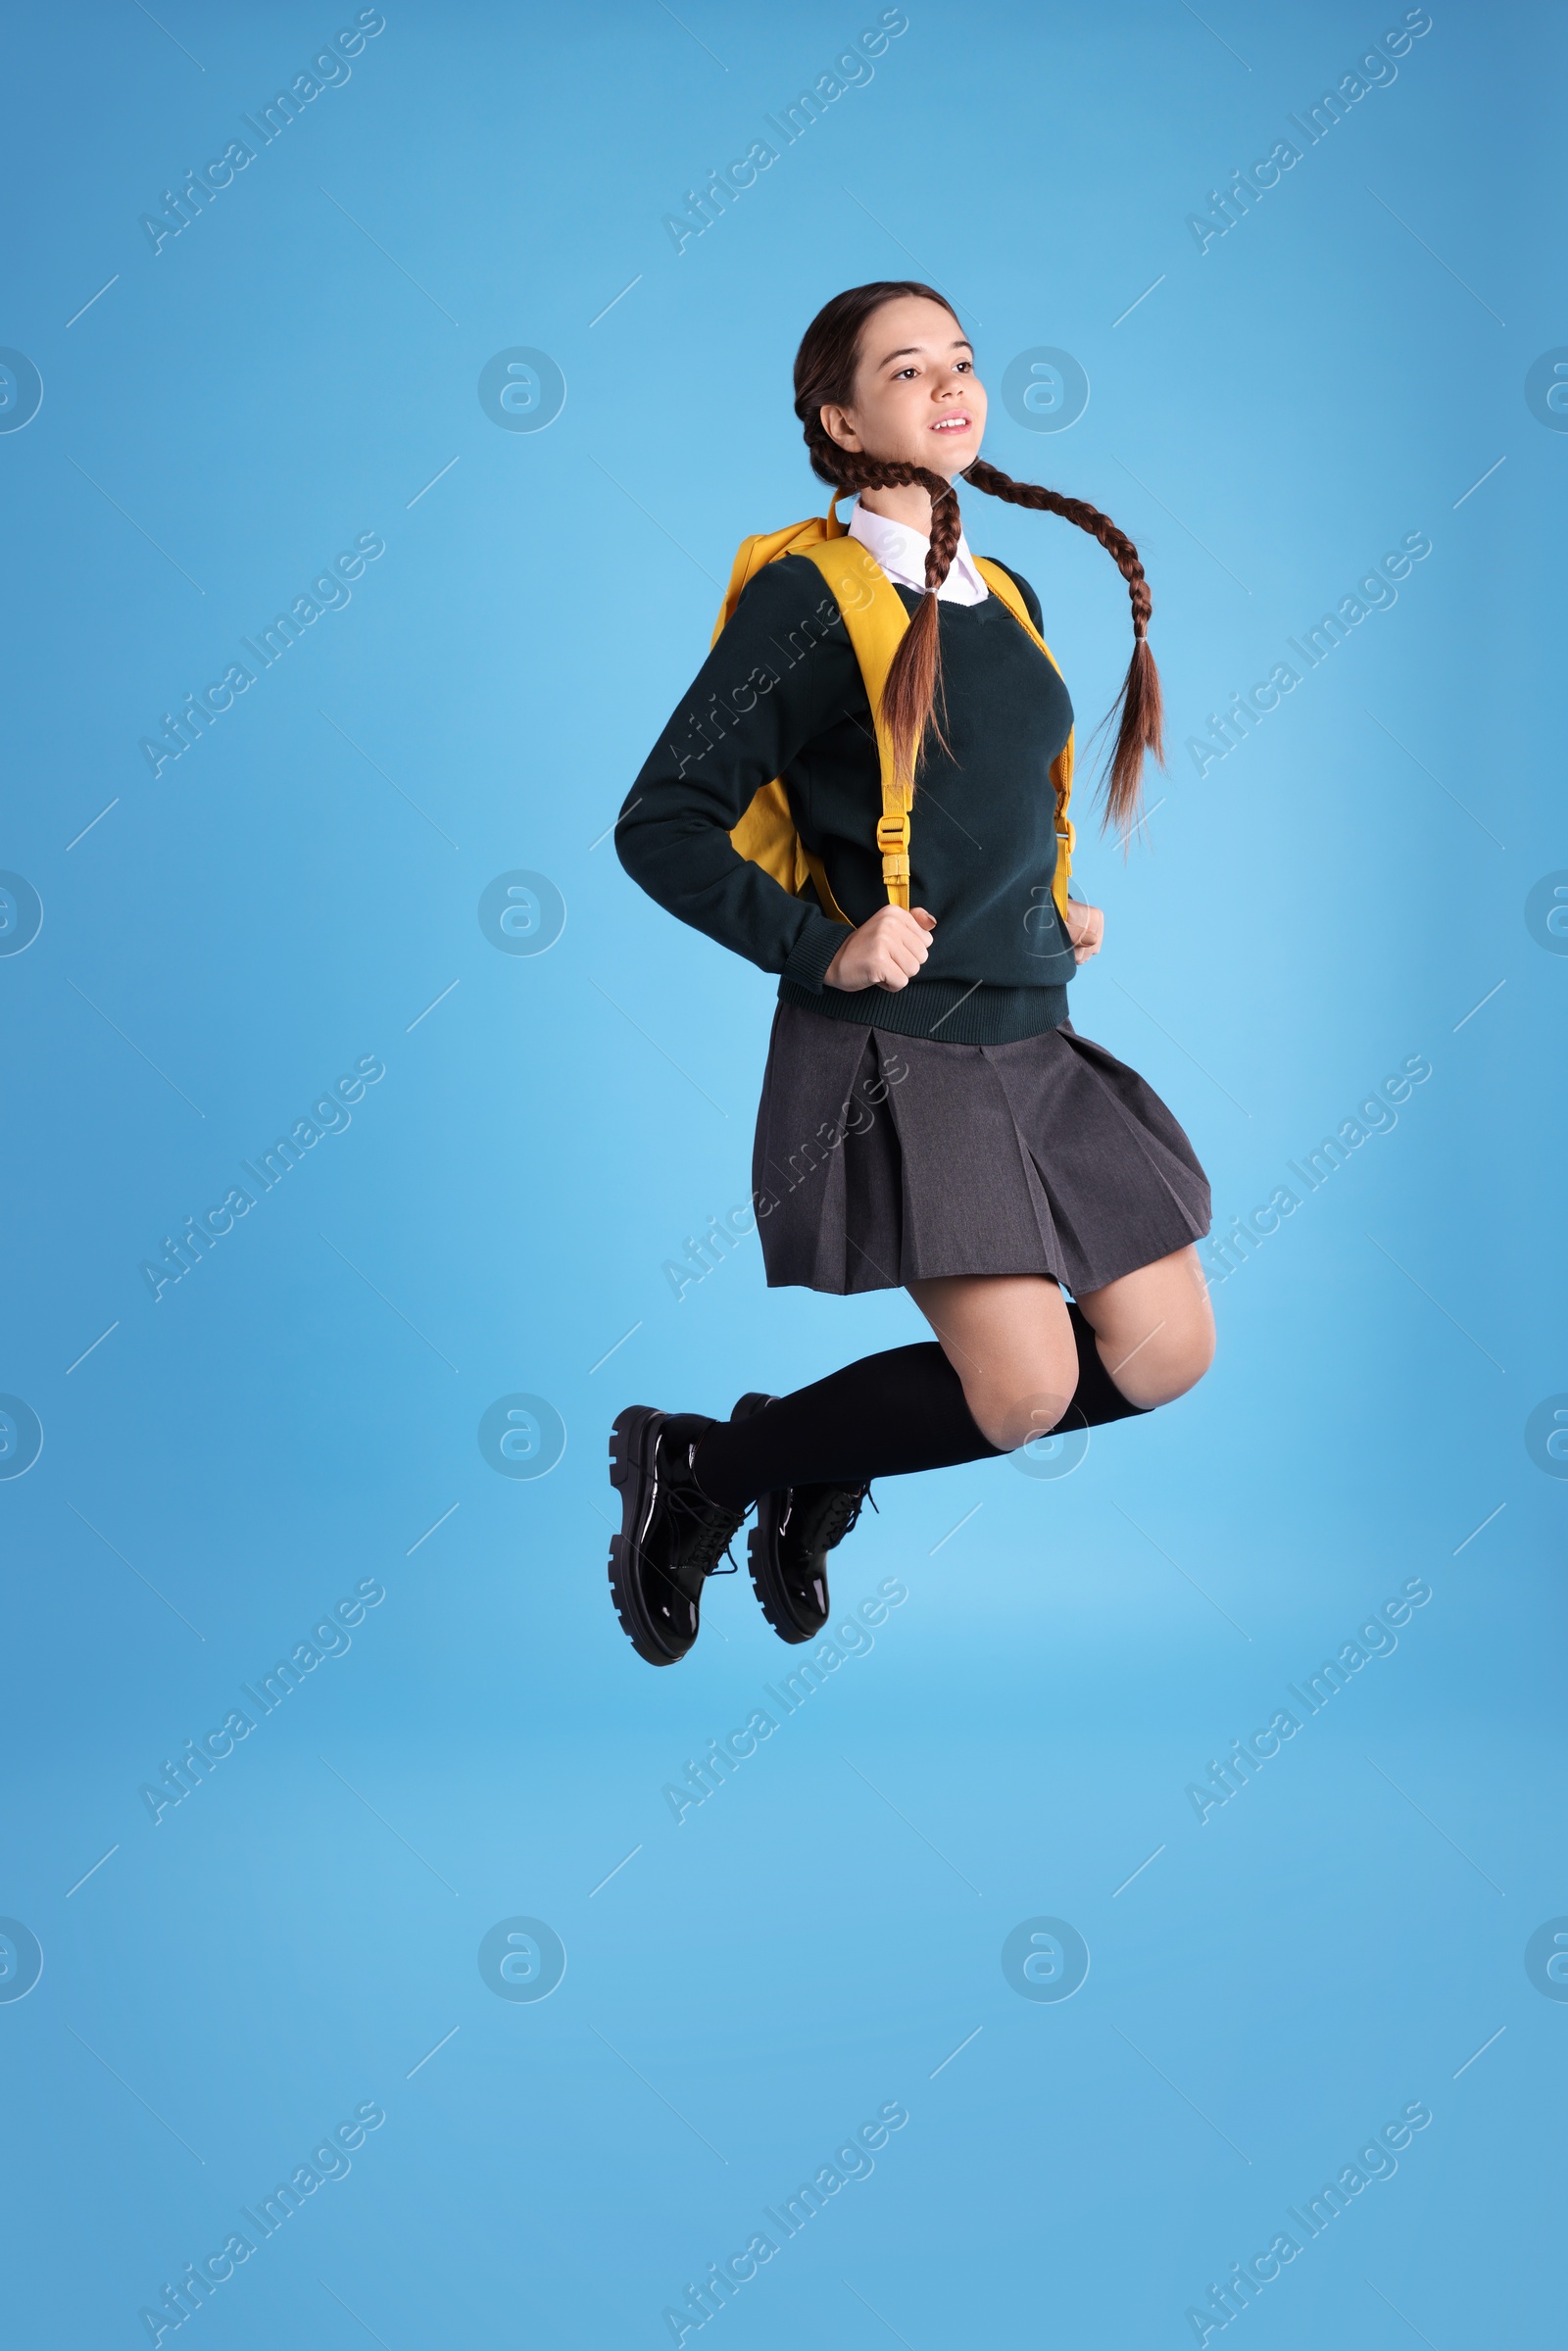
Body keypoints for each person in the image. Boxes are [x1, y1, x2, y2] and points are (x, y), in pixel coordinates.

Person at [607, 280, 1213, 1667]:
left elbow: (983, 801)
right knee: (1019, 1392)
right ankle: (709, 1471)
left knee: (1166, 1352)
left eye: (961, 361)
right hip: (901, 1052)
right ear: (839, 418)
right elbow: (661, 823)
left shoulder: (1007, 590)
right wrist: (828, 941)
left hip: (1033, 1034)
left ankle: (805, 1456)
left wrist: (1050, 908)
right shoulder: (808, 602)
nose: (949, 387)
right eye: (903, 370)